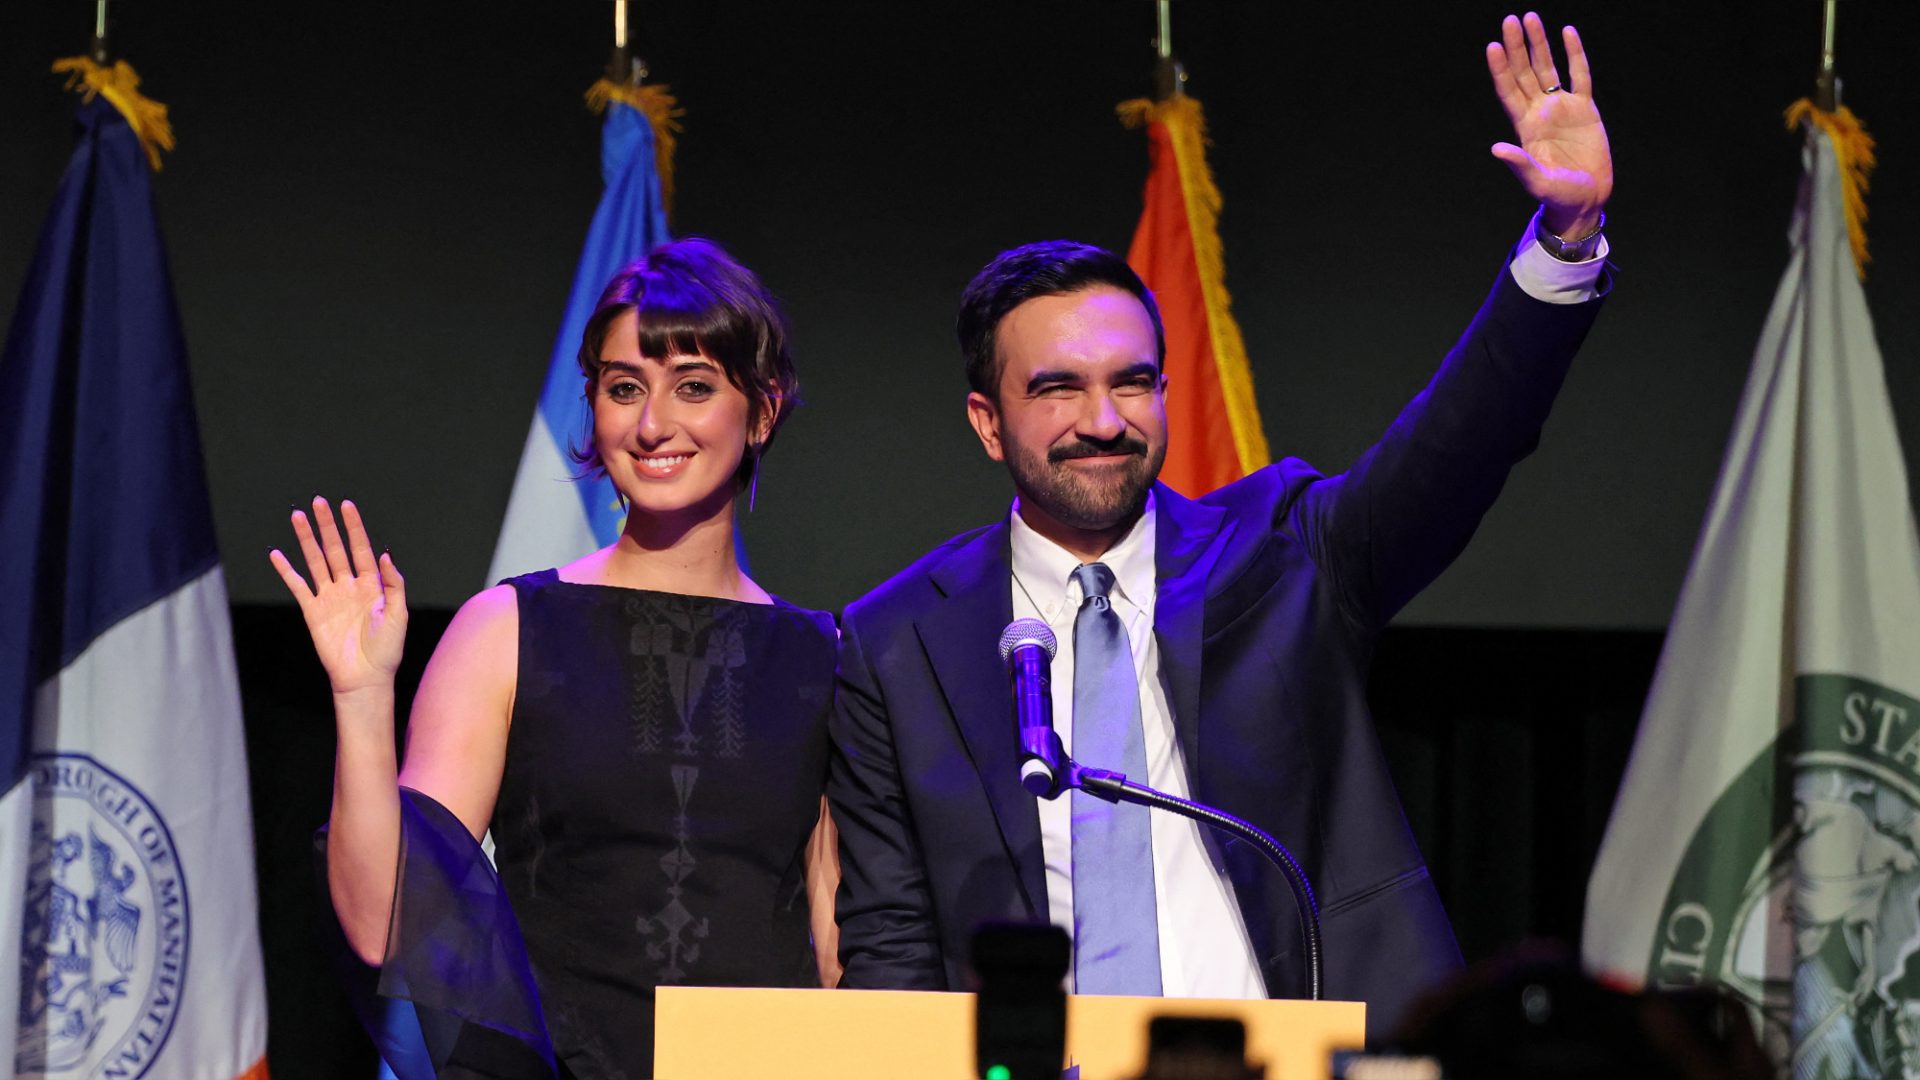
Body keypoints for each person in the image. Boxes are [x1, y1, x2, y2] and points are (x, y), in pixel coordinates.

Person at [828, 12, 1614, 1037]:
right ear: (989, 421)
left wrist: (1566, 244)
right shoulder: (897, 643)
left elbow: (1458, 450)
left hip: (1295, 1057)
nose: (1103, 421)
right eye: (1059, 388)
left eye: (1134, 383)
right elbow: (891, 944)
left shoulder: (1286, 554)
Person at [272, 238, 841, 1077]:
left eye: (692, 386)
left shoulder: (824, 655)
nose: (652, 424)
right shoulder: (507, 628)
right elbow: (383, 924)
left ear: (761, 410)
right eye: (623, 389)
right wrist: (361, 695)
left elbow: (837, 944)